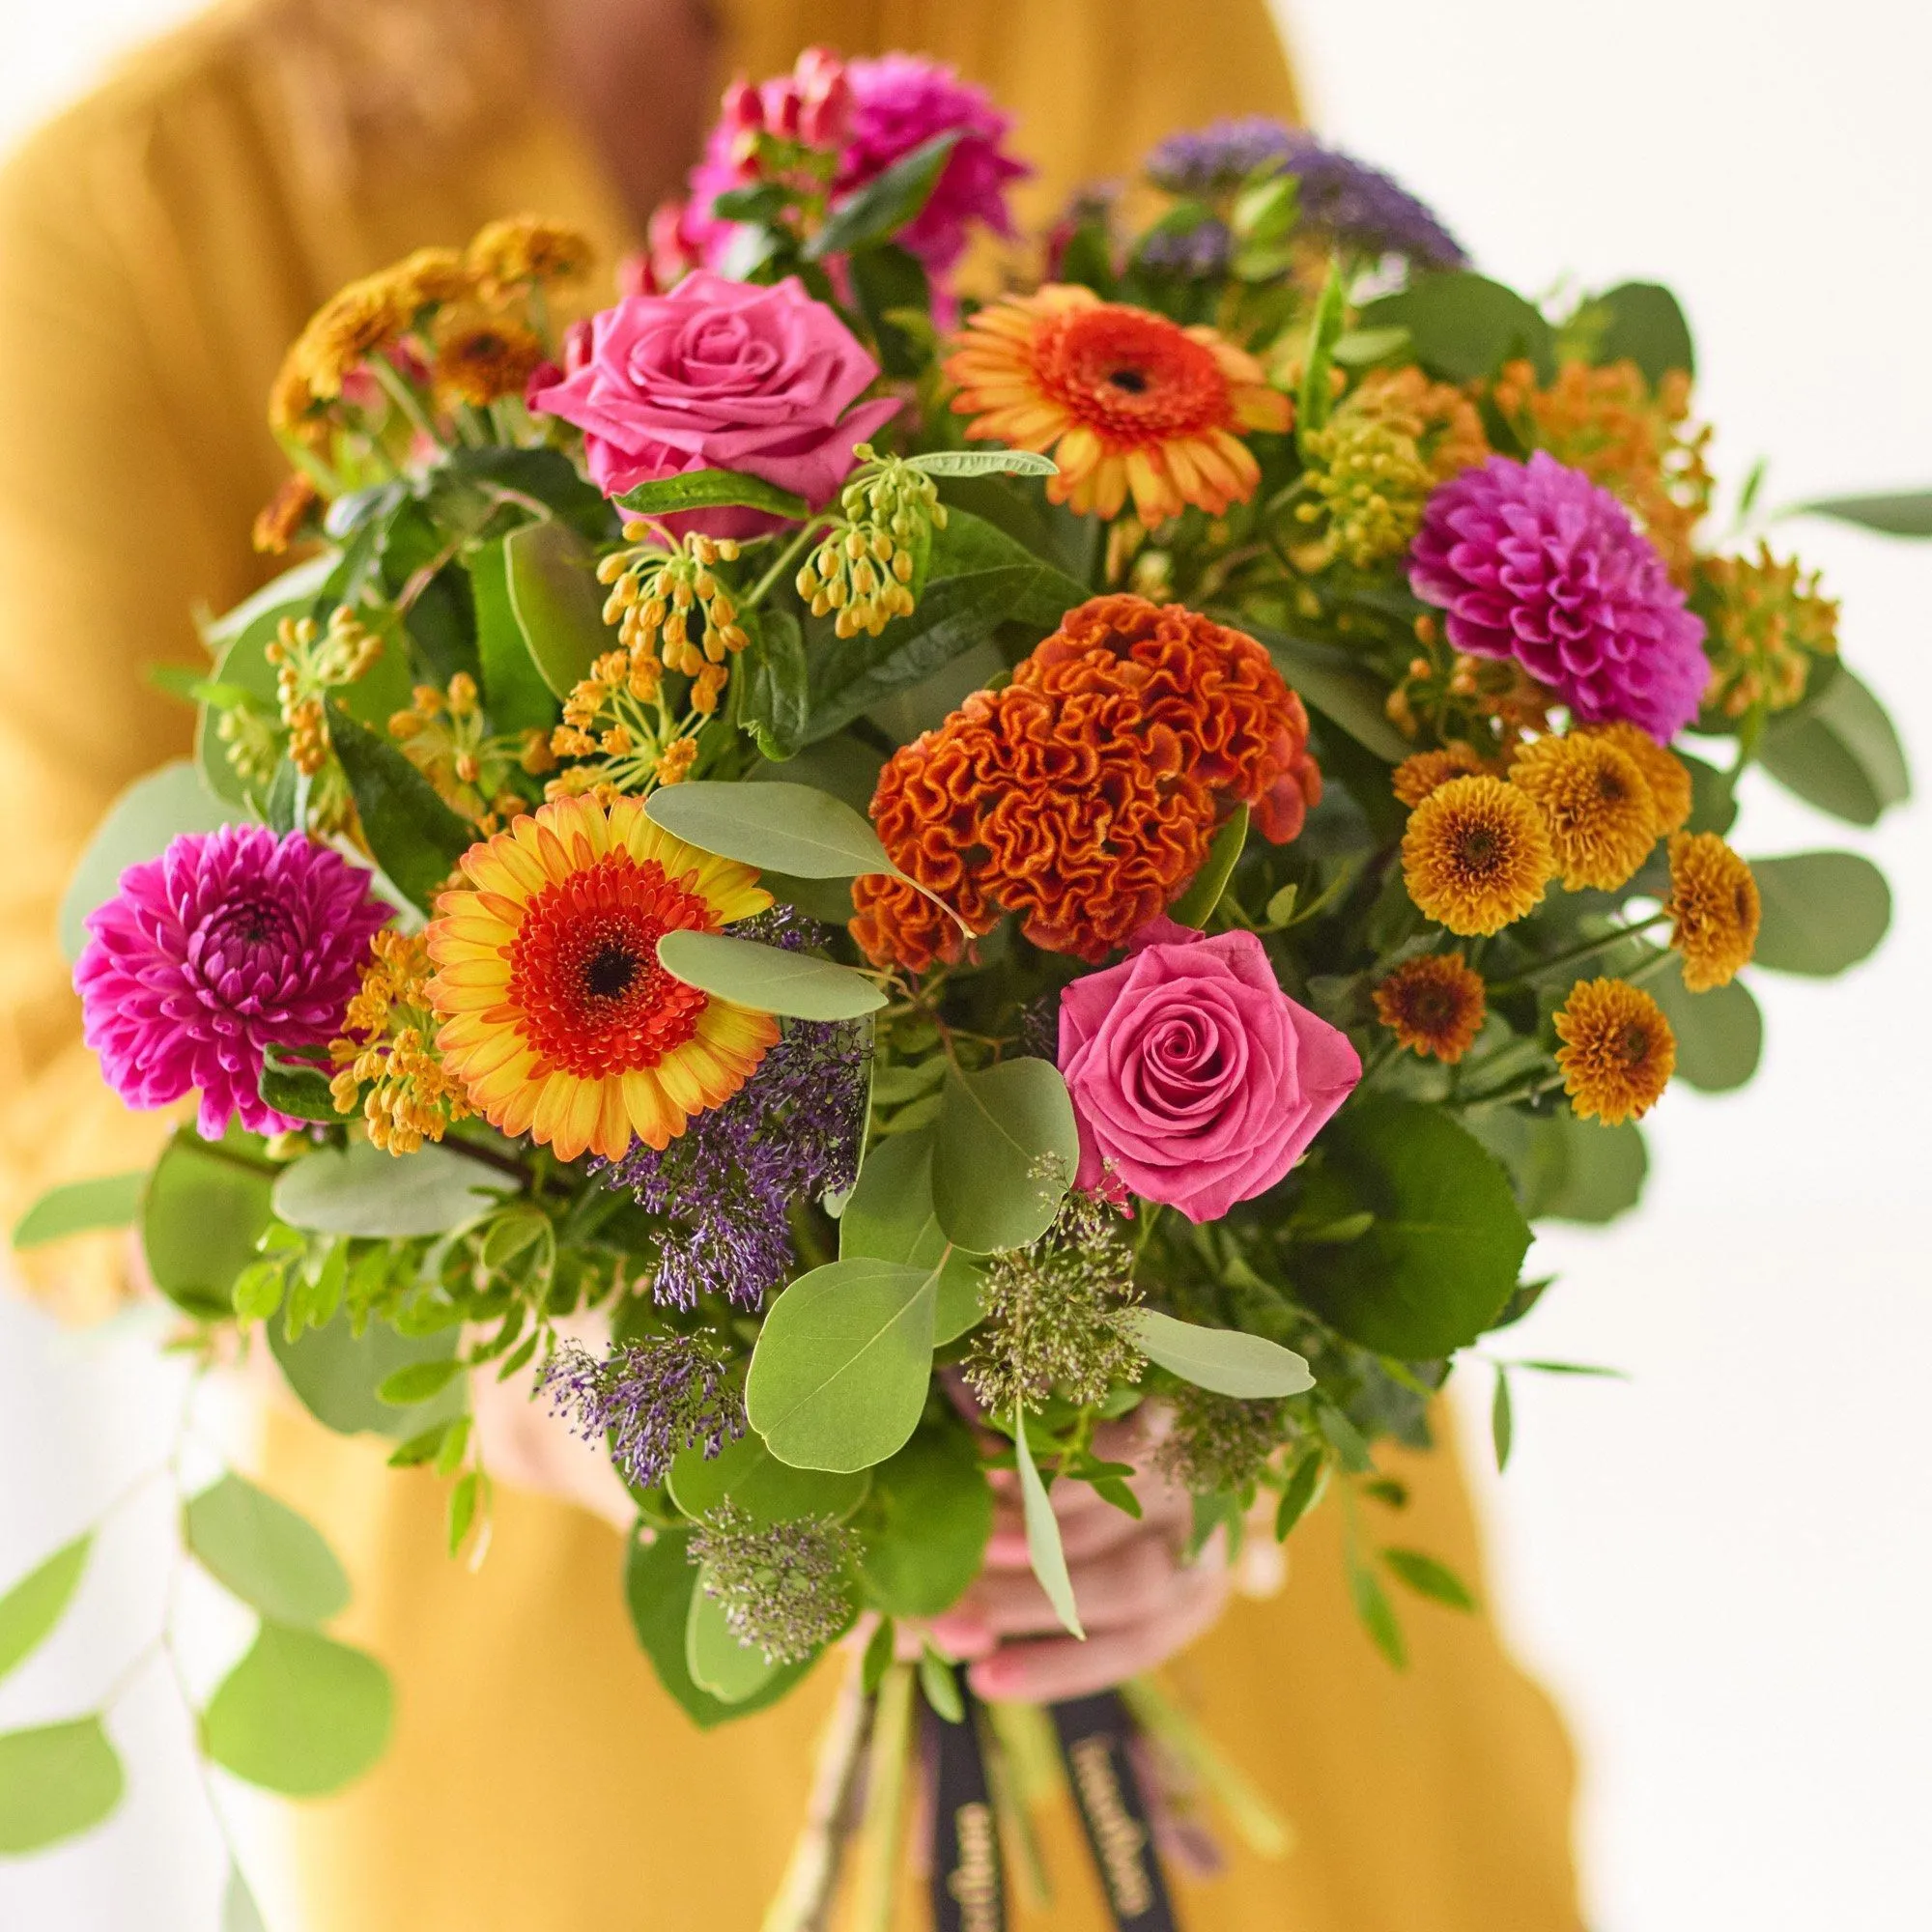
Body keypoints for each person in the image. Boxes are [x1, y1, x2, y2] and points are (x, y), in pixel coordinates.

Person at [0, 1, 1583, 1925]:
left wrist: (1225, 1408)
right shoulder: (124, 220)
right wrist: (525, 1342)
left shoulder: (1113, 24)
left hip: (1185, 1551)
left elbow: (1354, 744)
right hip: (578, 1693)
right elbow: (56, 1078)